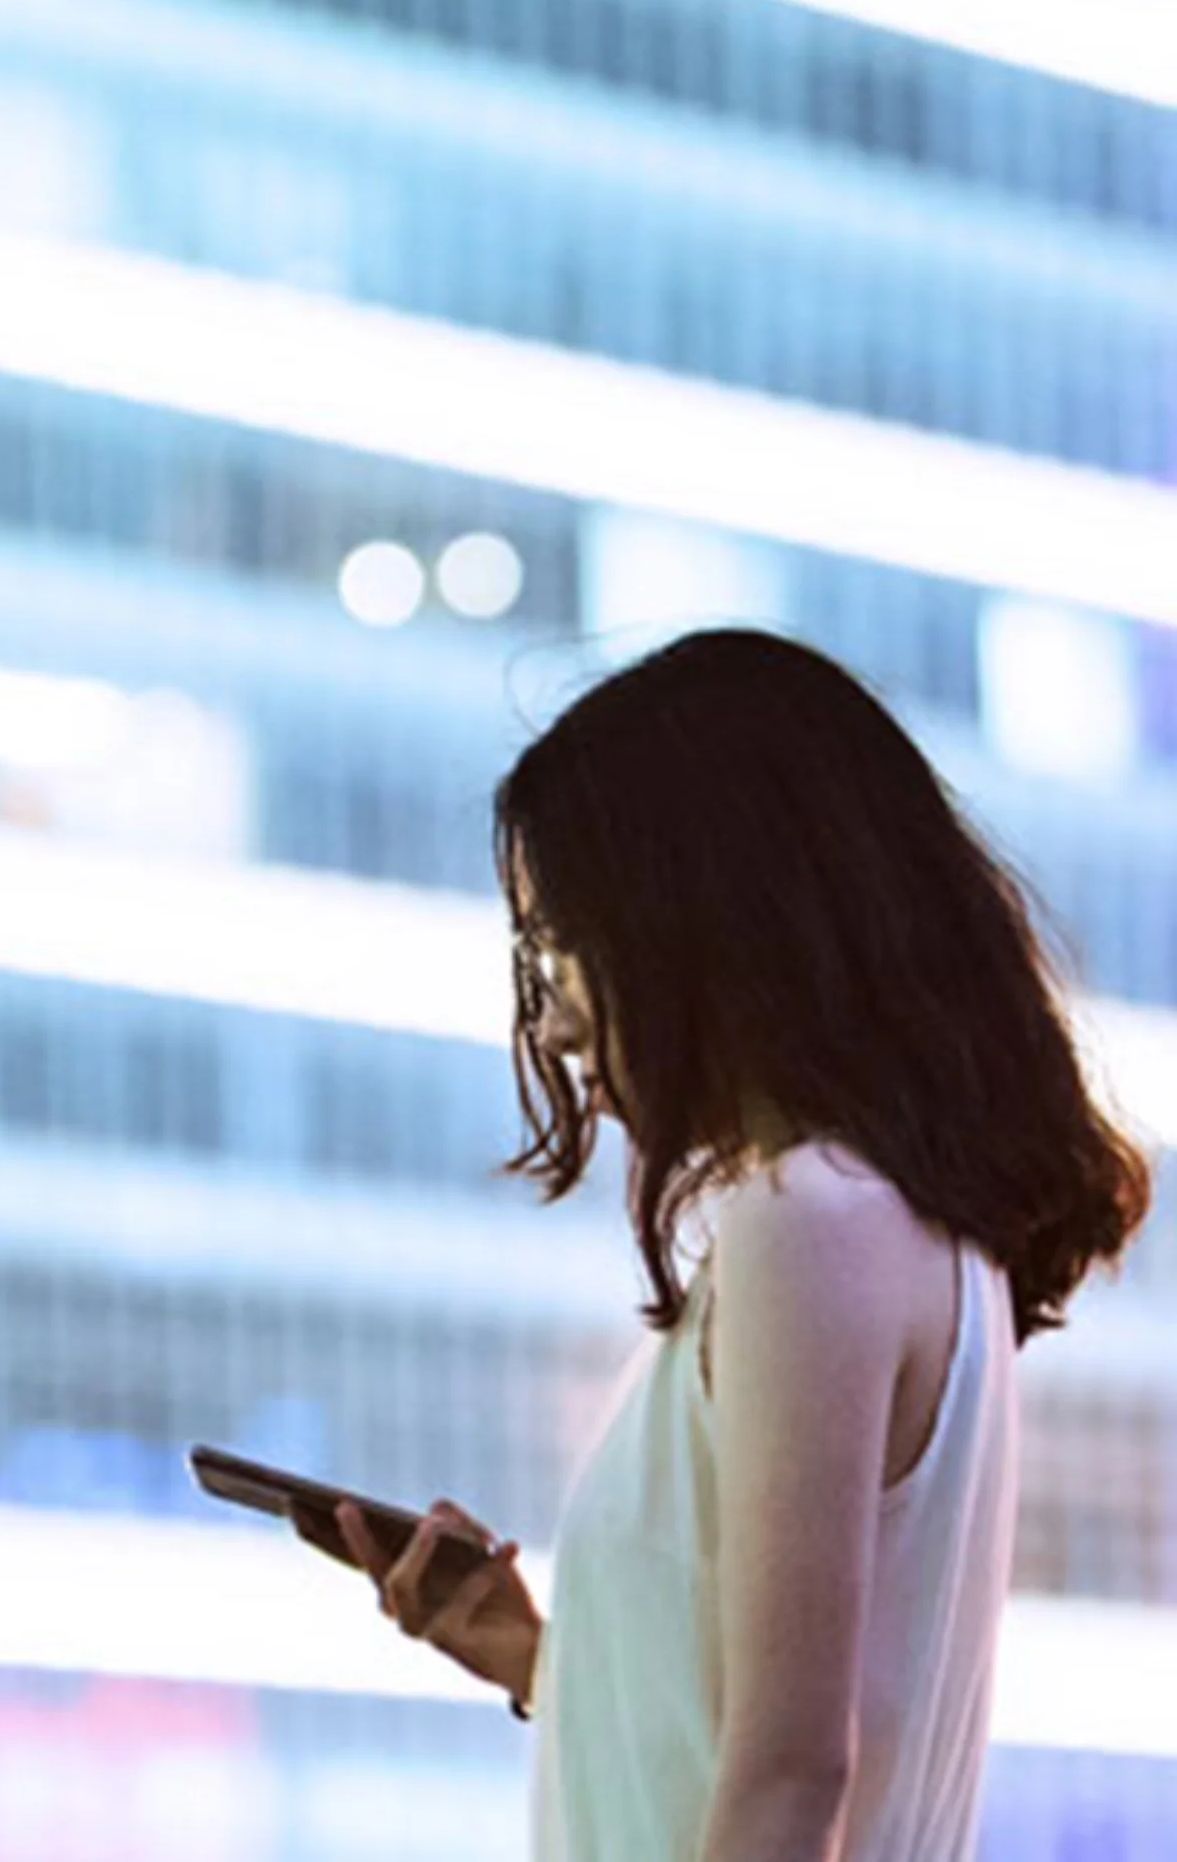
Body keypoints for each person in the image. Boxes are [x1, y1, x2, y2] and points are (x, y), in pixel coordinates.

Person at [291, 628, 1151, 1861]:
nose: (549, 1015)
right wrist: (542, 1655)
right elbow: (798, 1732)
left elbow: (795, 1776)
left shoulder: (814, 1221)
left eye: (552, 941)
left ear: (691, 914)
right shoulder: (900, 1226)